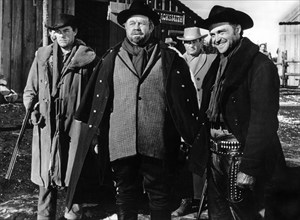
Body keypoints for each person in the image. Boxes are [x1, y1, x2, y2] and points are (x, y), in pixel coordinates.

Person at [65, 1, 201, 219]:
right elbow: (97, 103)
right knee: (126, 196)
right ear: (125, 27)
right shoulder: (110, 58)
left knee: (159, 197)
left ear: (151, 27)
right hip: (121, 142)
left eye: (142, 23)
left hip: (158, 142)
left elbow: (186, 101)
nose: (137, 27)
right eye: (132, 23)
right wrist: (97, 137)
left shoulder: (170, 58)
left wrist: (186, 135)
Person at [190, 5, 286, 220]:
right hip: (216, 155)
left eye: (222, 32)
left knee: (244, 215)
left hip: (241, 157)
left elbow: (264, 122)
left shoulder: (260, 66)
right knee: (218, 214)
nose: (216, 39)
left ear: (238, 30)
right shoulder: (218, 64)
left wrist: (249, 168)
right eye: (212, 34)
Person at [23, 14, 99, 220]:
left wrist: (92, 127)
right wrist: (32, 108)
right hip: (47, 125)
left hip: (74, 125)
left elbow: (96, 95)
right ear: (51, 34)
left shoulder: (89, 58)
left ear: (75, 32)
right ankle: (44, 216)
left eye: (66, 30)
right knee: (46, 175)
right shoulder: (42, 56)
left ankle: (72, 214)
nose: (62, 35)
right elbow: (30, 89)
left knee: (75, 173)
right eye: (57, 31)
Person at [171, 27, 217, 217]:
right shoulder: (175, 61)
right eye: (188, 42)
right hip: (181, 116)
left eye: (195, 41)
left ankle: (201, 199)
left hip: (202, 115)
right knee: (181, 160)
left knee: (200, 158)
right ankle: (185, 199)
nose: (191, 45)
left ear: (201, 42)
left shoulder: (212, 60)